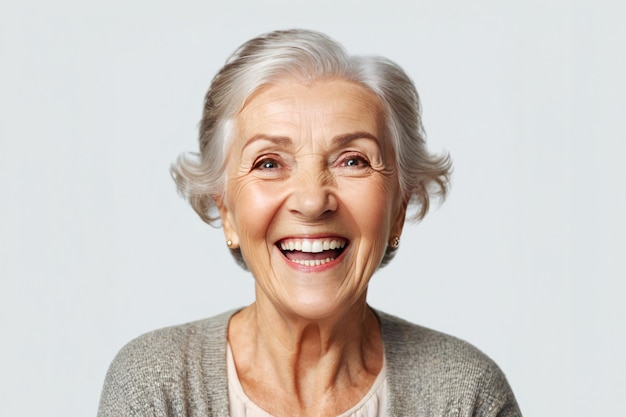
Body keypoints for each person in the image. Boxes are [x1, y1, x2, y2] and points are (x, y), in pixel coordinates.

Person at [98, 29, 522, 417]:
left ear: (398, 210)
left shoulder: (466, 396)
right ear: (226, 211)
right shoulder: (155, 387)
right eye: (269, 163)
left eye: (353, 160)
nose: (312, 200)